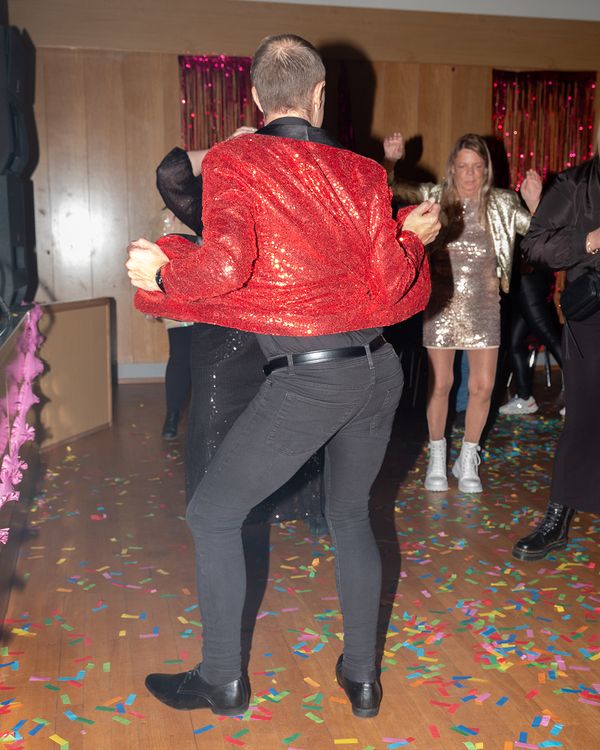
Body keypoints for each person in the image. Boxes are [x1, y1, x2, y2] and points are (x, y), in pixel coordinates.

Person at [126, 35, 440, 719]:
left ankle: (222, 681)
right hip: (378, 373)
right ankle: (362, 678)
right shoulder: (361, 173)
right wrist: (412, 237)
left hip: (312, 379)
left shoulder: (239, 159)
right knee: (350, 515)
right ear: (320, 95)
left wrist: (163, 274)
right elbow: (390, 280)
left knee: (212, 515)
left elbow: (225, 265)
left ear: (255, 98)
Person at [155, 138, 324, 528]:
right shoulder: (215, 213)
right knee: (215, 428)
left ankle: (298, 507)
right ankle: (218, 516)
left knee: (289, 426)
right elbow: (170, 173)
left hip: (280, 338)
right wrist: (226, 146)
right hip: (224, 339)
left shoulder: (290, 207)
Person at [384, 132, 542, 492]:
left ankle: (467, 458)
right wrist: (391, 161)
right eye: (463, 166)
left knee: (483, 387)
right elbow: (390, 189)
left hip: (485, 305)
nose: (470, 174)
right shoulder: (435, 196)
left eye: (477, 167)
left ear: (486, 170)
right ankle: (437, 457)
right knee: (441, 384)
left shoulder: (502, 202)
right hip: (442, 303)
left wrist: (535, 206)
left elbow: (539, 238)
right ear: (452, 168)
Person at [512, 128, 600, 561]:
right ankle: (558, 519)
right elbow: (534, 245)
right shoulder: (576, 184)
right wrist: (590, 240)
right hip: (594, 316)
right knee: (583, 416)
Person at [499, 261, 563, 416]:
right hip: (521, 277)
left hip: (528, 275)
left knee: (548, 336)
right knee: (514, 342)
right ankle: (525, 398)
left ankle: (585, 394)